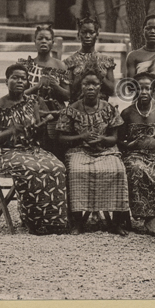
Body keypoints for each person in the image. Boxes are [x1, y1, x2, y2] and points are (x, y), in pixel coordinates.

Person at [0, 64, 69, 235]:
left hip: (32, 149)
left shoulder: (32, 102)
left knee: (57, 167)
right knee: (31, 169)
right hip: (6, 152)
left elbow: (38, 131)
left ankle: (54, 221)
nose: (19, 81)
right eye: (15, 78)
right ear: (6, 81)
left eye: (23, 78)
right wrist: (11, 131)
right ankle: (33, 221)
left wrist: (39, 126)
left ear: (28, 82)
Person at [57, 67, 129, 236]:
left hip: (106, 150)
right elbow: (61, 138)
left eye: (94, 84)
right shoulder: (71, 110)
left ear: (100, 86)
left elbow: (114, 138)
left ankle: (116, 222)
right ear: (80, 87)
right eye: (86, 84)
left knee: (118, 170)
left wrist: (102, 139)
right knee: (76, 171)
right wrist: (81, 136)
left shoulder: (109, 109)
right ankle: (77, 222)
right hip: (79, 150)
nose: (90, 87)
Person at [118, 71, 155, 237]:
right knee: (137, 169)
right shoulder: (127, 113)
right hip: (135, 154)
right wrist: (132, 144)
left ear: (153, 90)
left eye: (148, 88)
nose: (144, 92)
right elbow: (119, 141)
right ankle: (146, 216)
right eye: (140, 88)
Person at [19, 24, 70, 159]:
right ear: (34, 41)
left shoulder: (60, 65)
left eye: (47, 39)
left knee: (57, 152)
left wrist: (55, 86)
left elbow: (68, 96)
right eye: (40, 38)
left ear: (52, 43)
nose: (43, 41)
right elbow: (18, 95)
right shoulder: (26, 66)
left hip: (55, 113)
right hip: (31, 113)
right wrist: (37, 87)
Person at [64, 17, 116, 102]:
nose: (87, 36)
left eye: (91, 32)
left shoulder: (106, 60)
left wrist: (98, 74)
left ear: (97, 34)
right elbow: (69, 93)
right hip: (77, 107)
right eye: (84, 32)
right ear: (78, 35)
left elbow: (112, 91)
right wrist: (83, 74)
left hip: (101, 107)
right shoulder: (70, 61)